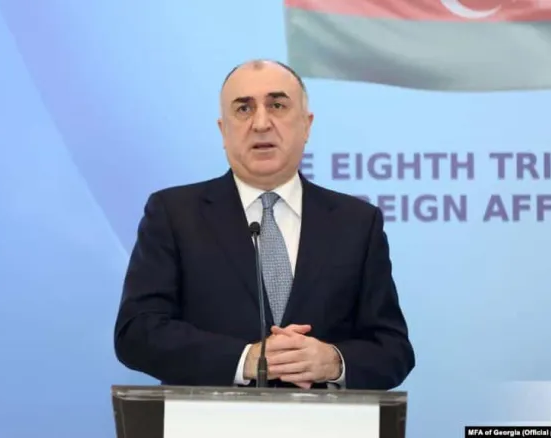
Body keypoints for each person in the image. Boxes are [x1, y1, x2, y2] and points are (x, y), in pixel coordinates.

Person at [113, 59, 414, 390]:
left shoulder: (357, 222)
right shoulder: (174, 214)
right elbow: (137, 332)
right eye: (243, 109)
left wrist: (333, 362)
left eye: (277, 105)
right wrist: (246, 359)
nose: (260, 123)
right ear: (223, 130)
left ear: (306, 125)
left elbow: (393, 350)